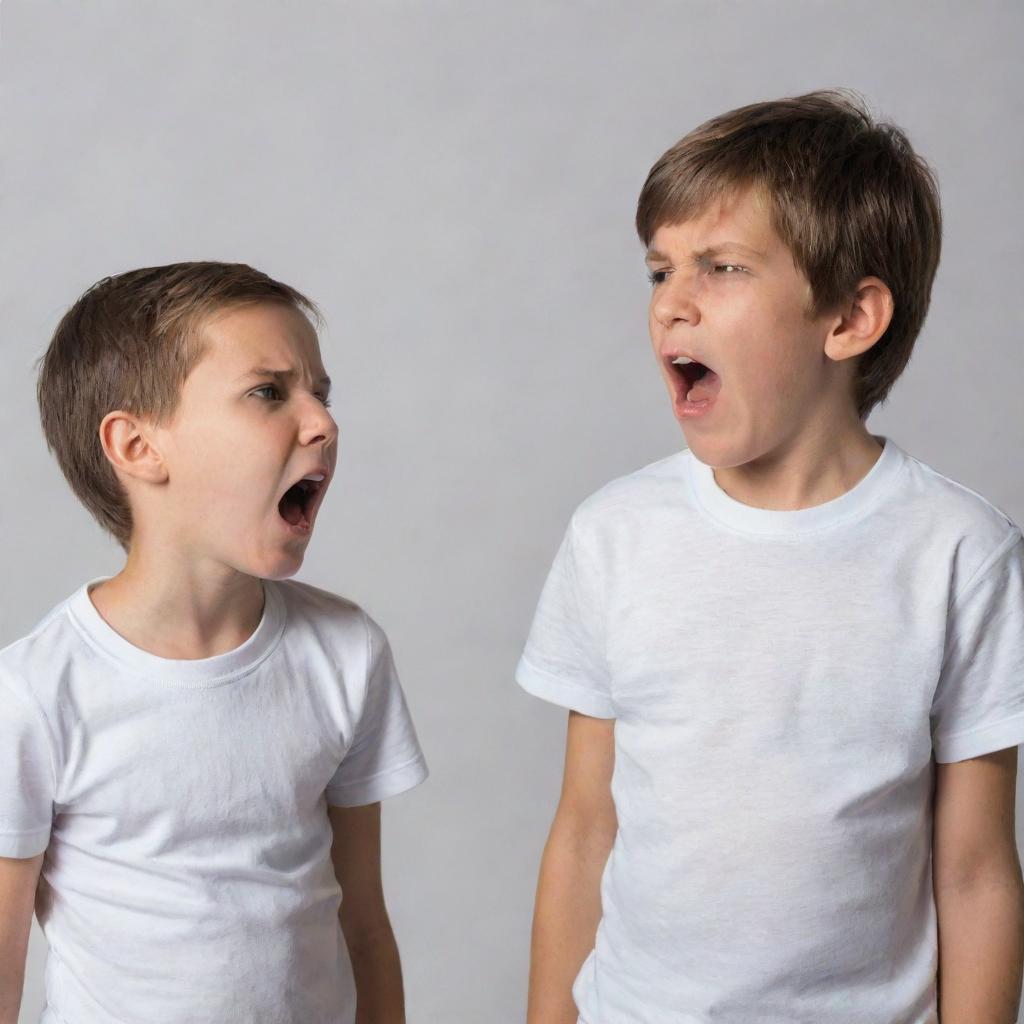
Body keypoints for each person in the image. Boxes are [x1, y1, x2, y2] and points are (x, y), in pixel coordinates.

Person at [516, 90, 1024, 1024]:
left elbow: (977, 869)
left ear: (848, 320)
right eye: (660, 270)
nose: (672, 303)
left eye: (722, 267)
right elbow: (587, 828)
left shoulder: (959, 555)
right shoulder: (615, 536)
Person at [0, 263, 428, 1024]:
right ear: (136, 446)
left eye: (320, 392)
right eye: (269, 392)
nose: (322, 422)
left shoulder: (344, 653)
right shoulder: (35, 692)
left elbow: (364, 923)